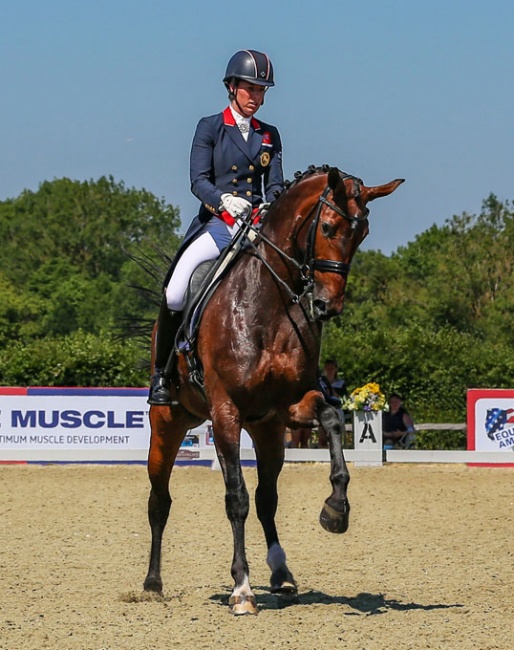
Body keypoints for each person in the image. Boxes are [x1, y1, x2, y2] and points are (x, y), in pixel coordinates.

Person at [148, 49, 284, 405]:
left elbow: (275, 184)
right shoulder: (210, 126)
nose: (256, 96)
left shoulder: (269, 135)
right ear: (232, 87)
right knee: (176, 291)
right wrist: (223, 201)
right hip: (219, 225)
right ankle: (162, 375)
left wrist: (269, 204)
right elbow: (198, 180)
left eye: (261, 90)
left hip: (257, 229)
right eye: (250, 88)